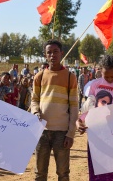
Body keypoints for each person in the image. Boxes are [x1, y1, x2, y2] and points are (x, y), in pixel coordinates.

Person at [31, 39, 78, 181]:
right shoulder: (39, 76)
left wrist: (70, 134)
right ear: (45, 55)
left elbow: (74, 106)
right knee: (40, 174)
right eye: (49, 52)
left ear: (61, 53)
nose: (52, 55)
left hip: (62, 133)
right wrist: (35, 112)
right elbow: (34, 100)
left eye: (55, 52)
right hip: (42, 131)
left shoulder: (70, 77)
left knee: (63, 174)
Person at [78, 55, 113, 180]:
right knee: (95, 170)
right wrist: (79, 120)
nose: (110, 79)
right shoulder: (94, 85)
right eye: (106, 76)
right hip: (95, 133)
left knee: (111, 171)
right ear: (101, 71)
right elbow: (89, 106)